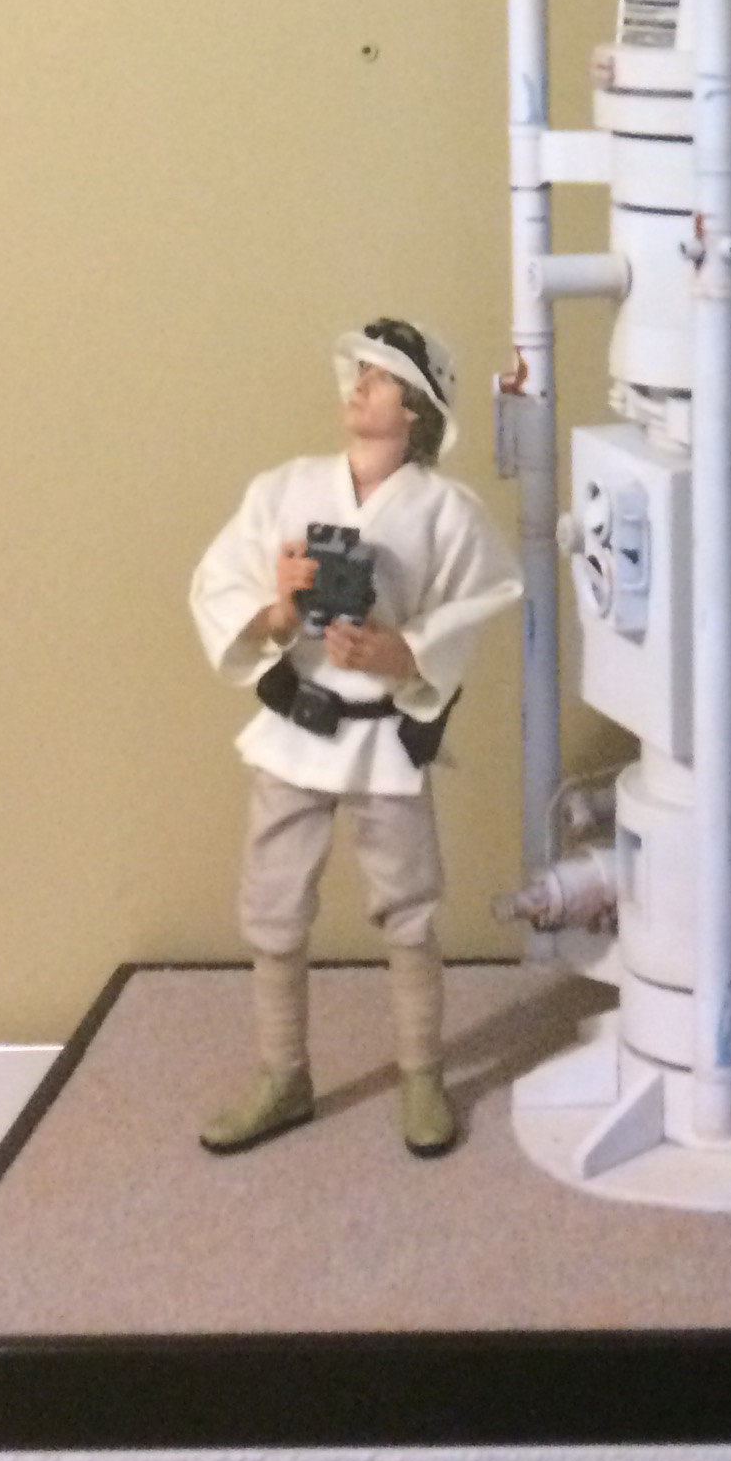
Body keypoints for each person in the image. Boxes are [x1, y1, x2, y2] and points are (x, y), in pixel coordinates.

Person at [189, 316, 519, 1159]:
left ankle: (421, 1073)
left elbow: (482, 598)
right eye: (360, 374)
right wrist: (278, 612)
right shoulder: (285, 488)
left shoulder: (446, 511)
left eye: (379, 380)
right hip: (295, 726)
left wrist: (403, 652)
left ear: (414, 410)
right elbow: (219, 582)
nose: (359, 388)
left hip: (381, 736)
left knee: (408, 907)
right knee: (273, 904)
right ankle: (282, 1072)